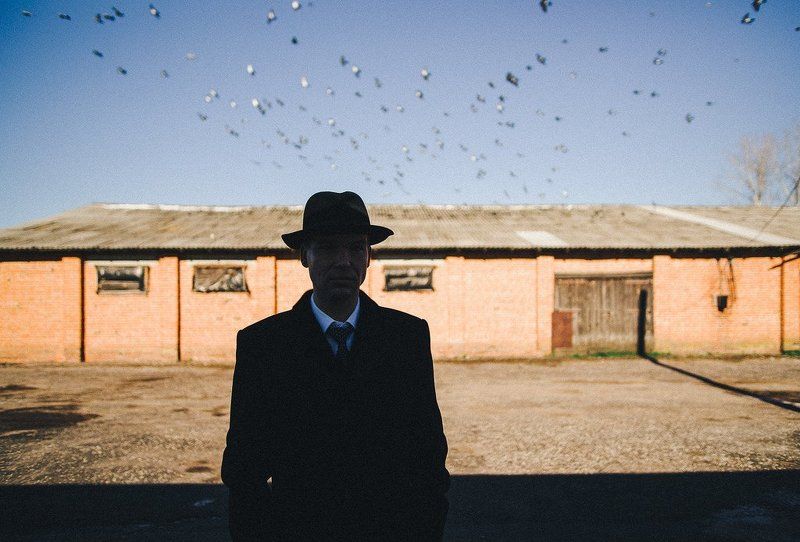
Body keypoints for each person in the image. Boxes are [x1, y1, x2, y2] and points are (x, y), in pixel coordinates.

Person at [221, 191, 450, 541]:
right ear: (304, 256)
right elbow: (243, 467)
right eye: (327, 248)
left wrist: (424, 527)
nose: (344, 261)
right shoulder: (264, 344)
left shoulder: (407, 337)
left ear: (369, 257)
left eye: (356, 248)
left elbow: (427, 452)